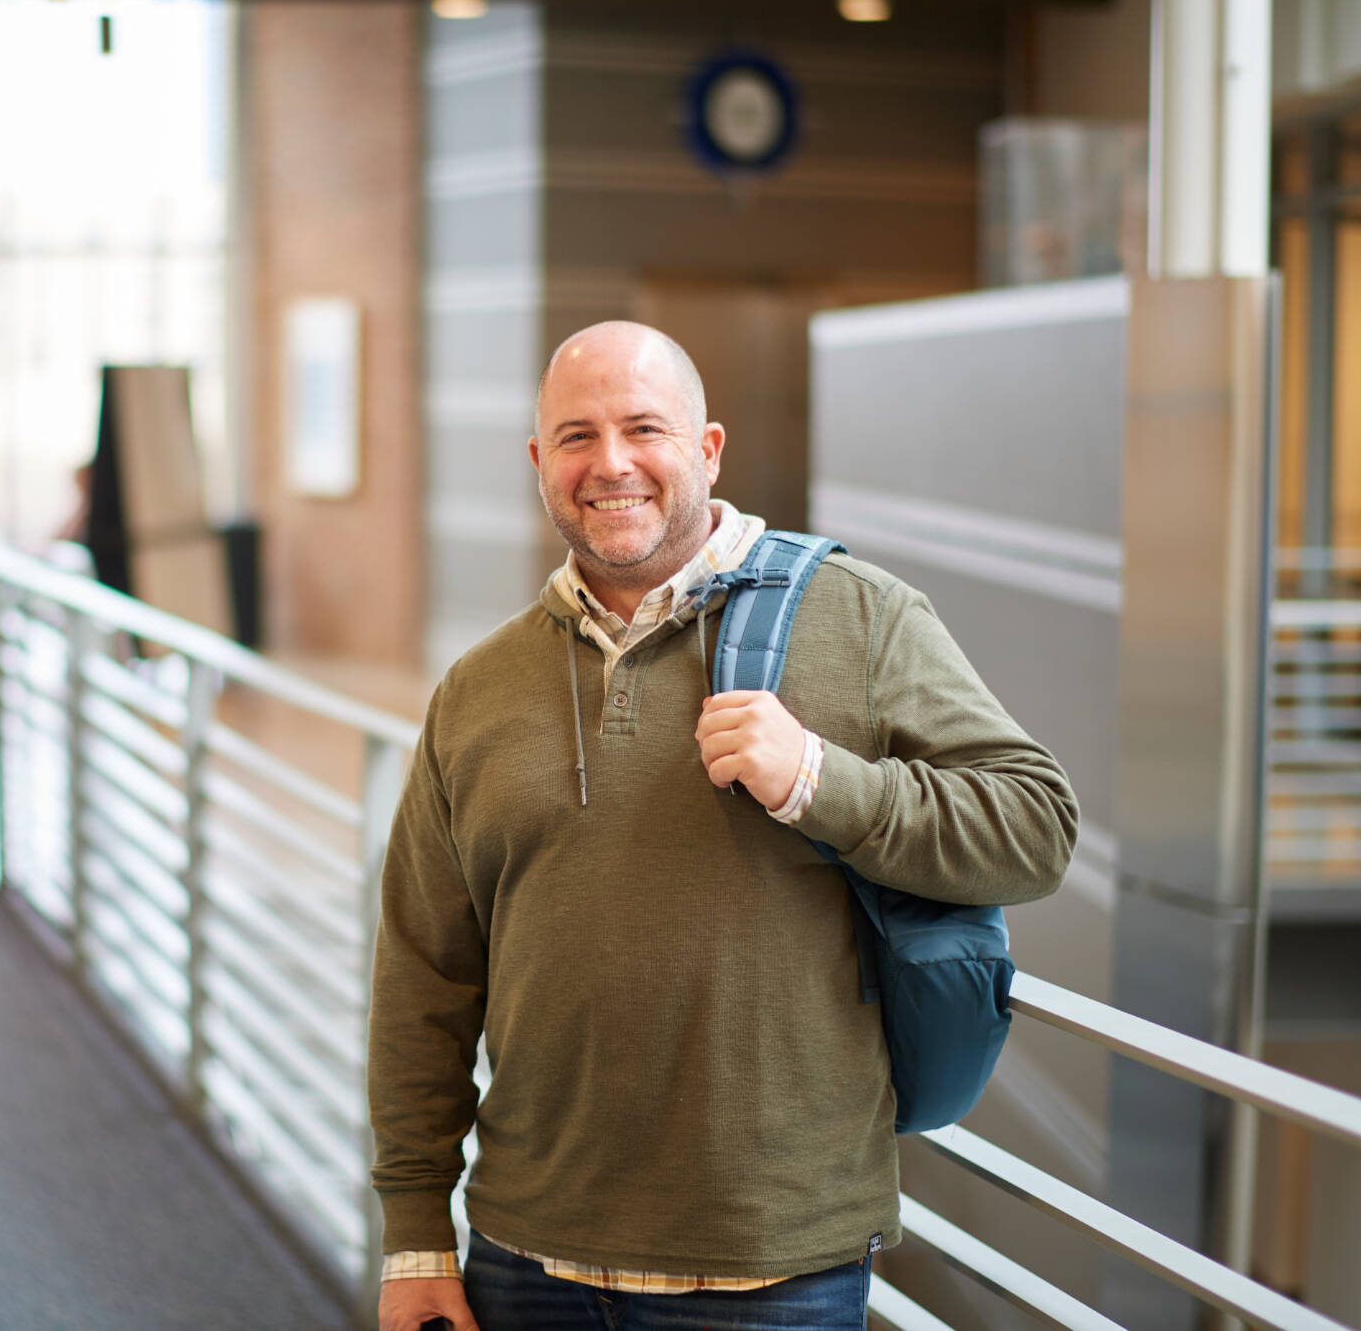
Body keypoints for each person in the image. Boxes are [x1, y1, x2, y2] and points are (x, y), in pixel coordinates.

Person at [369, 322, 1078, 1331]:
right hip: (524, 1255)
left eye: (642, 428)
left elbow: (1036, 825)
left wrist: (821, 781)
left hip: (772, 1268)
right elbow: (423, 977)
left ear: (706, 449)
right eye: (576, 436)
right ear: (538, 463)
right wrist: (413, 1234)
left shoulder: (861, 618)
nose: (610, 463)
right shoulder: (477, 690)